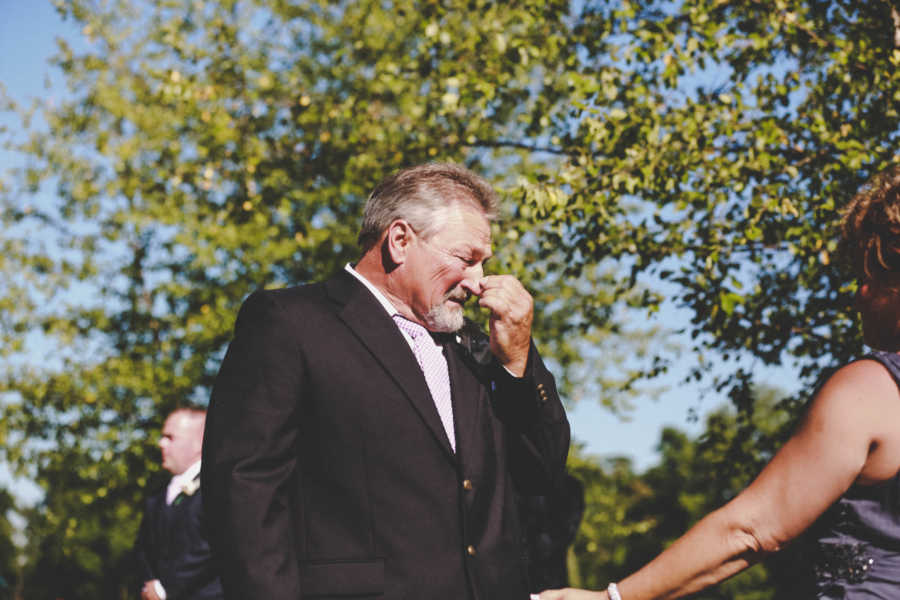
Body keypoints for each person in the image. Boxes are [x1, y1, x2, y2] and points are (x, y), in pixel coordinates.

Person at [202, 162, 570, 599]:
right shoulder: (290, 322)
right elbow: (244, 495)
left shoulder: (479, 346)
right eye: (465, 259)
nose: (477, 282)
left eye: (483, 263)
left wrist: (518, 361)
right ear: (399, 240)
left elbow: (541, 475)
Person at [540, 165, 900, 600]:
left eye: (871, 277)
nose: (858, 295)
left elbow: (752, 529)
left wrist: (613, 598)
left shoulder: (870, 391)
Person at [134, 408, 223, 600]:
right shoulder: (156, 497)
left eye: (170, 437)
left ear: (199, 443)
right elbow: (143, 551)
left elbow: (212, 549)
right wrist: (149, 585)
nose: (161, 443)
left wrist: (165, 589)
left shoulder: (219, 487)